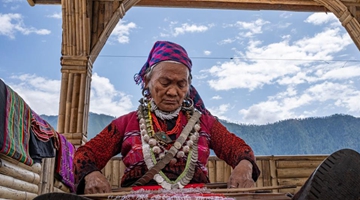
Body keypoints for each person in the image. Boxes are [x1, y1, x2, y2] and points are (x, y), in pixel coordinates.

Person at [73, 41, 261, 194]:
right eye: (165, 82)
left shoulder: (204, 123)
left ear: (188, 86)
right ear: (147, 82)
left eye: (181, 84)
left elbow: (239, 150)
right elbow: (85, 154)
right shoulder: (126, 124)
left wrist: (244, 165)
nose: (173, 92)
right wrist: (92, 174)